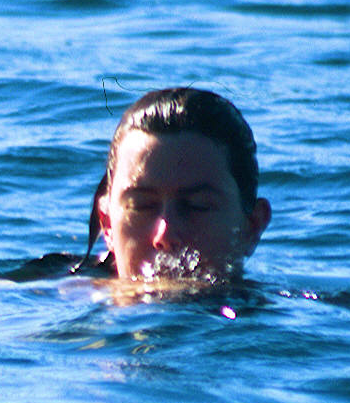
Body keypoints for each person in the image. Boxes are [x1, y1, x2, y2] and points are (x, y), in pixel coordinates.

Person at [50, 87, 270, 286]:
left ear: (251, 227)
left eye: (197, 206)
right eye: (142, 206)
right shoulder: (49, 297)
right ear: (107, 223)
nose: (165, 235)